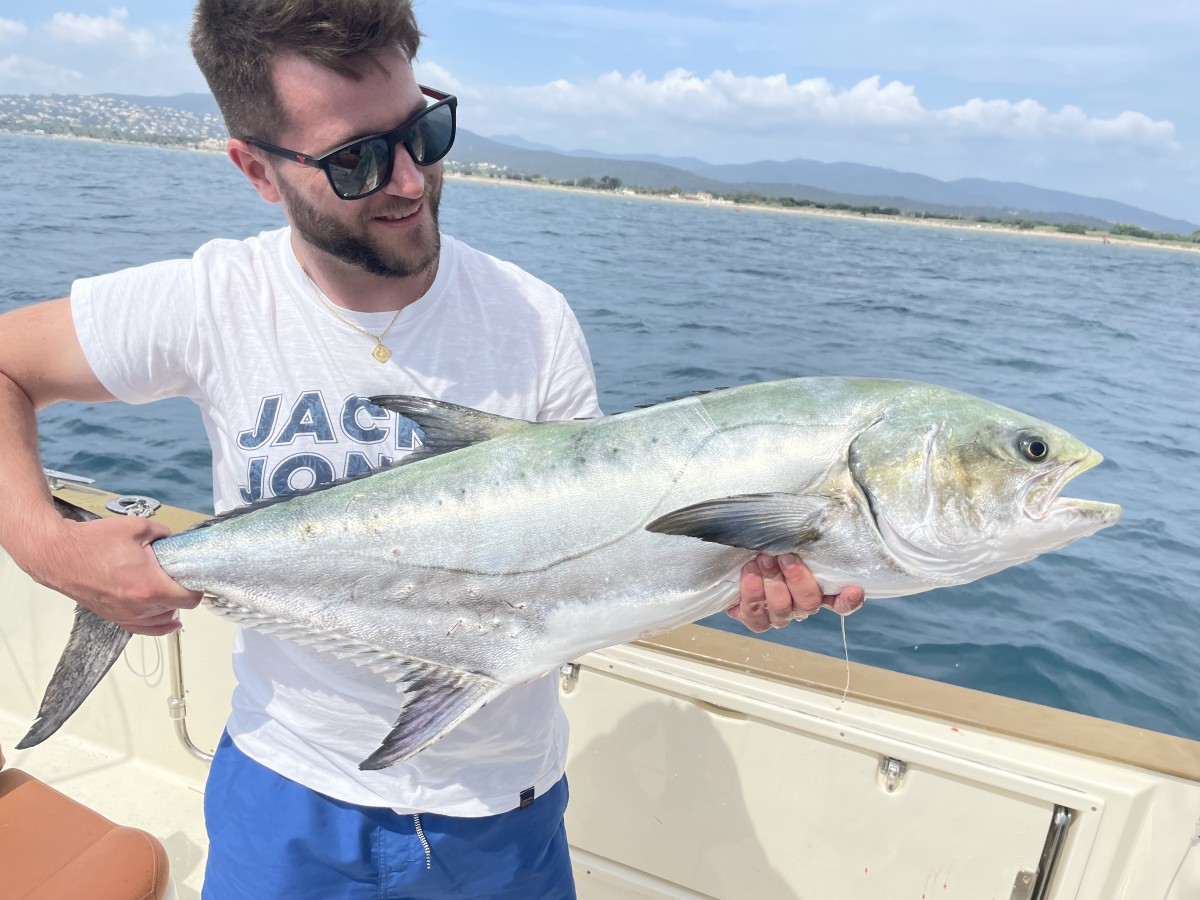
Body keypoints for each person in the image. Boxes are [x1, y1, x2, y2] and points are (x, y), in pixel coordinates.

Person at [0, 1, 863, 897]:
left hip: (501, 809)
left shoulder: (532, 319)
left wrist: (731, 579)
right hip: (284, 789)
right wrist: (47, 545)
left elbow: (578, 563)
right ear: (257, 170)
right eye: (355, 161)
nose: (411, 182)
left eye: (425, 130)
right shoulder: (210, 301)